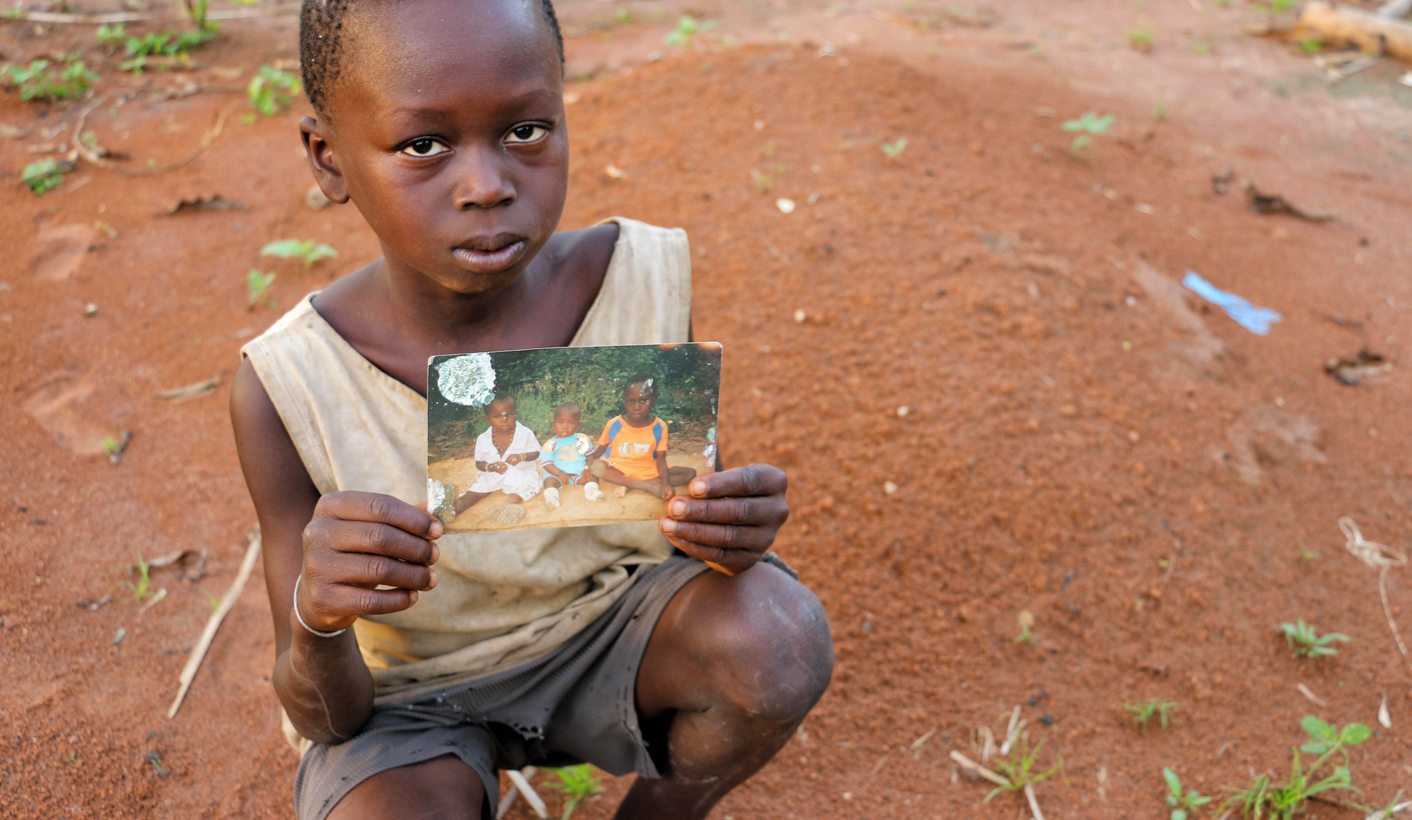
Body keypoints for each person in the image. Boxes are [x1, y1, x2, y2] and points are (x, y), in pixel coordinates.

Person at [228, 0, 833, 817]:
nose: (487, 186)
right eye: (423, 145)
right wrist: (320, 615)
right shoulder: (289, 388)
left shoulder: (637, 284)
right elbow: (322, 713)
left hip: (613, 634)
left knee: (778, 638)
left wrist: (732, 533)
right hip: (411, 701)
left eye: (524, 131)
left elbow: (695, 543)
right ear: (328, 158)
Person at [587, 375, 696, 500]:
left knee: (690, 474)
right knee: (596, 466)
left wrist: (665, 483)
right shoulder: (614, 424)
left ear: (654, 400)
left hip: (647, 470)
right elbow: (599, 451)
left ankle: (632, 485)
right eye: (631, 401)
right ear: (624, 401)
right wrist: (588, 460)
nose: (637, 407)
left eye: (643, 401)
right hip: (619, 470)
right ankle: (646, 486)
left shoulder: (660, 426)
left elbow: (661, 460)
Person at [454, 394, 541, 524]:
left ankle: (507, 508)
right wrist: (490, 467)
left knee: (523, 487)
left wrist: (522, 456)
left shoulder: (525, 433)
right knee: (477, 490)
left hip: (520, 472)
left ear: (515, 414)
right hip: (493, 474)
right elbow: (479, 463)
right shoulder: (483, 438)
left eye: (509, 414)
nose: (504, 419)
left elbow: (536, 452)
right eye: (497, 416)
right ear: (487, 418)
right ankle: (454, 509)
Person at [539, 402, 600, 509]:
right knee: (548, 482)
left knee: (593, 476)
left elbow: (590, 456)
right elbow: (547, 464)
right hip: (558, 475)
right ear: (553, 424)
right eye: (560, 422)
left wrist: (587, 469)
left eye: (571, 423)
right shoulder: (550, 444)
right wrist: (559, 473)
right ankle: (552, 499)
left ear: (578, 425)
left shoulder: (581, 439)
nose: (565, 427)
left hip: (579, 474)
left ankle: (592, 491)